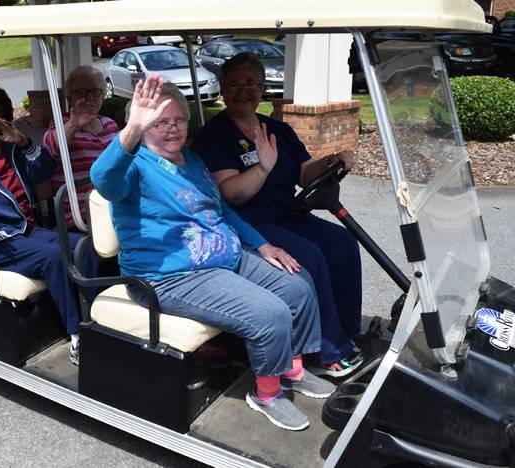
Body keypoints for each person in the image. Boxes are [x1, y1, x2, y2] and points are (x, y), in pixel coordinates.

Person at [90, 75, 334, 431]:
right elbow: (103, 180)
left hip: (223, 257)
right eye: (159, 122)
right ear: (141, 126)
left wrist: (262, 244)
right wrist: (131, 130)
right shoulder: (133, 167)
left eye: (178, 119)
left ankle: (291, 367)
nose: (172, 128)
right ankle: (266, 393)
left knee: (296, 284)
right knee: (270, 312)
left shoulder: (191, 161)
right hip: (170, 276)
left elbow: (223, 212)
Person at [191, 52, 364, 377]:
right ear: (223, 90)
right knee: (309, 258)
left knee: (342, 243)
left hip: (287, 213)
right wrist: (262, 167)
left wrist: (330, 161)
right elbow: (232, 193)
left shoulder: (277, 130)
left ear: (261, 87)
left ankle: (346, 330)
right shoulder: (213, 135)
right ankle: (325, 352)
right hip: (247, 222)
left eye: (250, 83)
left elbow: (303, 173)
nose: (243, 91)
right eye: (234, 85)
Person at [0, 84, 95, 365]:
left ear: (6, 118)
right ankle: (77, 336)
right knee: (52, 257)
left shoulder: (14, 150)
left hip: (27, 231)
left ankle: (96, 319)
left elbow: (46, 170)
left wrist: (24, 142)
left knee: (86, 246)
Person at [41, 65, 119, 229]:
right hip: (82, 212)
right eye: (81, 93)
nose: (89, 98)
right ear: (70, 98)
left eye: (95, 92)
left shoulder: (109, 124)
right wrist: (74, 125)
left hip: (115, 202)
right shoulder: (61, 123)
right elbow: (47, 151)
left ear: (103, 95)